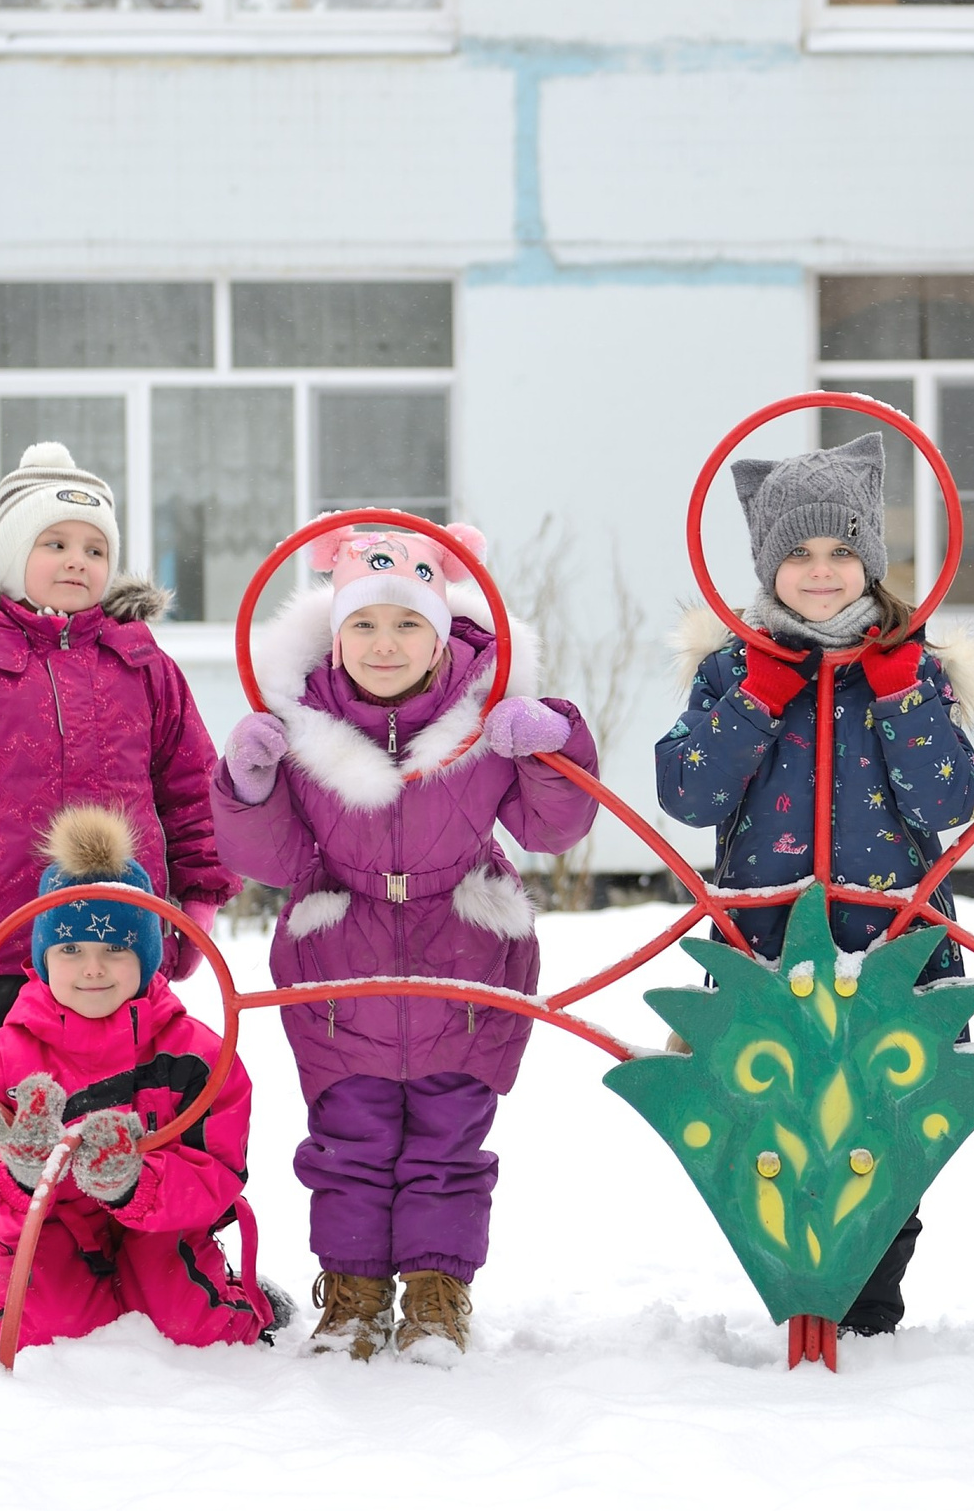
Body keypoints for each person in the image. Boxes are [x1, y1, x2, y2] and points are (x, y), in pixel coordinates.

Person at [214, 523, 599, 1363]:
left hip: (463, 961)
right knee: (347, 1143)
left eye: (406, 624)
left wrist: (551, 746)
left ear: (441, 633)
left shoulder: (481, 720)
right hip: (339, 970)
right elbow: (273, 857)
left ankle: (435, 1291)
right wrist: (248, 783)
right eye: (363, 624)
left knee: (448, 1143)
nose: (383, 644)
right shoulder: (303, 723)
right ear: (335, 635)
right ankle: (353, 1293)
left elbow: (552, 827)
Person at [0, 442, 235, 1319]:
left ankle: (114, 1266)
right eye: (56, 543)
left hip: (118, 939)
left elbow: (192, 788)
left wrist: (196, 896)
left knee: (128, 1100)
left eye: (94, 548)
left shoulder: (144, 666)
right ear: (12, 556)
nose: (78, 561)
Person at [655, 431, 974, 1338]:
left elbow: (949, 798)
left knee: (887, 1136)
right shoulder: (732, 667)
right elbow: (688, 793)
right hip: (769, 951)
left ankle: (869, 1312)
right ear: (767, 563)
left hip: (893, 948)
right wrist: (756, 697)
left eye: (842, 550)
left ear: (871, 561)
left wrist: (902, 696)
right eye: (798, 552)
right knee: (778, 1129)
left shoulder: (914, 666)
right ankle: (804, 1294)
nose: (820, 570)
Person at [0, 807, 274, 1350]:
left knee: (194, 1328)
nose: (93, 968)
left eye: (115, 949)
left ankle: (239, 1299)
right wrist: (17, 1177)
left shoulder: (197, 1055)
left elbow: (219, 1171)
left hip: (162, 1225)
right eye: (71, 949)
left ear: (147, 956)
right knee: (39, 1333)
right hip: (50, 1226)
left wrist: (134, 1182)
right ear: (44, 957)